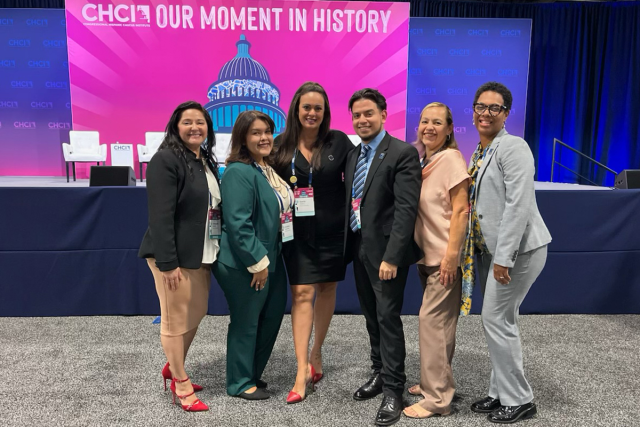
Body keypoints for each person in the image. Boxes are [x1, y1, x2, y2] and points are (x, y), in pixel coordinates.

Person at [463, 82, 551, 423]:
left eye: (493, 108)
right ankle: (500, 392)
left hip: (517, 253)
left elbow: (518, 206)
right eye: (480, 106)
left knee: (495, 319)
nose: (485, 113)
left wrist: (504, 258)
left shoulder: (513, 147)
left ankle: (520, 398)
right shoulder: (481, 150)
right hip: (490, 252)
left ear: (506, 114)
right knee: (502, 320)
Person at [344, 88, 422, 426]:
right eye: (357, 115)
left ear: (383, 115)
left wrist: (392, 257)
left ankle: (394, 389)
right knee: (371, 315)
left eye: (368, 114)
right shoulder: (354, 155)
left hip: (387, 255)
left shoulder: (402, 153)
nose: (362, 120)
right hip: (360, 246)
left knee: (388, 318)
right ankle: (379, 372)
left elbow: (406, 210)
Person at [273, 82, 355, 404]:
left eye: (318, 108)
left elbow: (358, 177)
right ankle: (300, 369)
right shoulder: (280, 145)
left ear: (325, 112)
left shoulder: (339, 141)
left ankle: (317, 353)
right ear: (296, 109)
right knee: (302, 293)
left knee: (328, 289)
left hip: (334, 232)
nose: (312, 113)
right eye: (306, 107)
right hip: (297, 234)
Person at [138, 101, 220, 412]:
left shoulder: (204, 160)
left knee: (196, 313)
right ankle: (181, 384)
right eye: (188, 122)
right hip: (171, 258)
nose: (195, 127)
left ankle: (173, 366)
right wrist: (167, 263)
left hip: (201, 254)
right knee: (175, 321)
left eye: (200, 122)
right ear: (176, 126)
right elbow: (160, 216)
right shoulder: (166, 159)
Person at [212, 110, 293, 400]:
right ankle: (239, 382)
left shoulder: (265, 169)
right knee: (246, 321)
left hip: (272, 257)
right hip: (245, 262)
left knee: (271, 317)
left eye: (267, 131)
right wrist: (256, 262)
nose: (264, 138)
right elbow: (238, 223)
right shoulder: (238, 172)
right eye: (256, 132)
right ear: (243, 139)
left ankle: (252, 372)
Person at [403, 102, 470, 419]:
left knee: (431, 324)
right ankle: (439, 383)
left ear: (448, 129)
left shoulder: (451, 159)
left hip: (444, 258)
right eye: (424, 121)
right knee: (441, 328)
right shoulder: (422, 161)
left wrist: (451, 257)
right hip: (426, 258)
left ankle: (437, 401)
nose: (429, 127)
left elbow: (461, 211)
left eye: (437, 122)